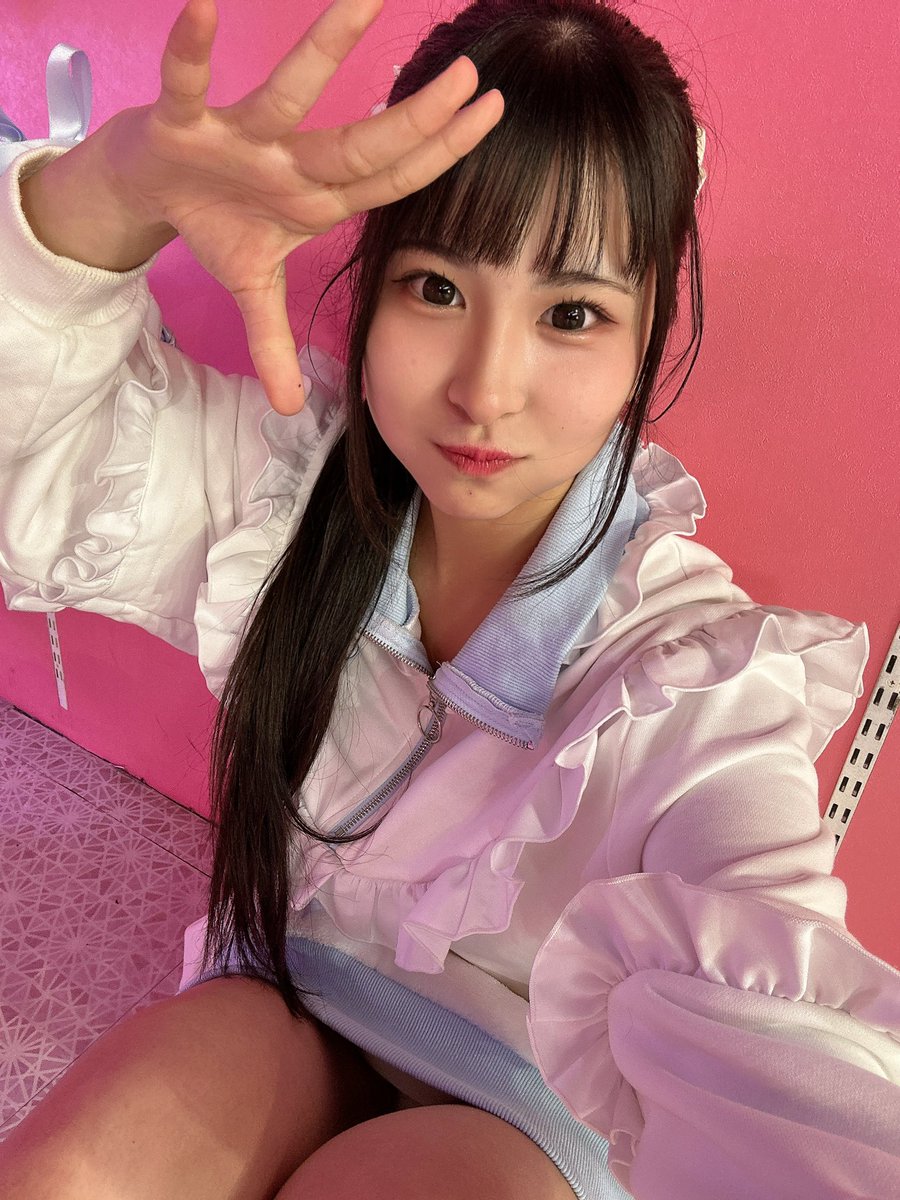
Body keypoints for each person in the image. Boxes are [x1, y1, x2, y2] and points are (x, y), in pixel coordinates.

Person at [0, 0, 898, 1197]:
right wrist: (109, 192)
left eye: (570, 314)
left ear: (646, 338)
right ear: (372, 285)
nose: (487, 388)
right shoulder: (282, 494)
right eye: (435, 288)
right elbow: (35, 467)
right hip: (290, 991)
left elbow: (767, 1001)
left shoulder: (686, 679)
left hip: (530, 1100)